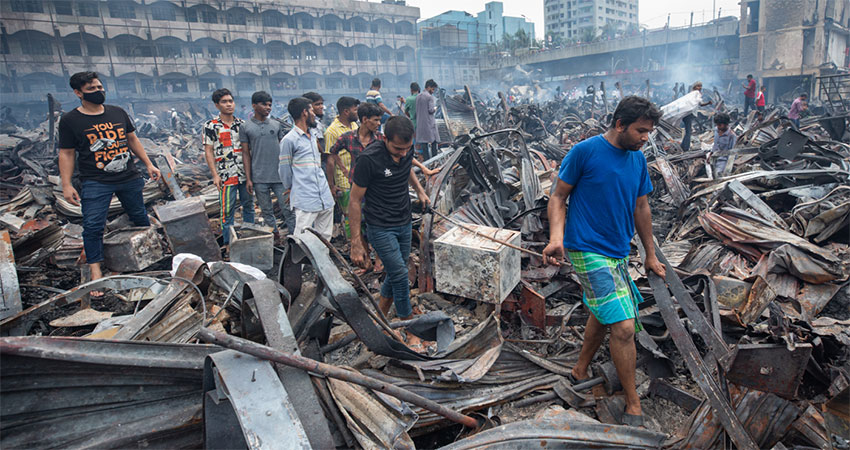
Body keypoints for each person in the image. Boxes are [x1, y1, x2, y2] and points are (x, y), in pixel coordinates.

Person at [542, 96, 666, 427]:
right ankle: (633, 403)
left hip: (617, 251)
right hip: (585, 248)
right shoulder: (585, 152)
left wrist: (650, 254)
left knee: (603, 312)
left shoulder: (637, 160)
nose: (645, 138)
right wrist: (556, 238)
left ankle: (579, 369)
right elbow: (557, 196)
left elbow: (642, 208)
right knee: (624, 327)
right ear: (619, 124)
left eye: (649, 132)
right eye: (641, 131)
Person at [59, 71, 161, 293]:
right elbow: (66, 153)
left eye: (99, 87)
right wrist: (66, 184)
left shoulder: (117, 112)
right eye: (91, 89)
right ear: (78, 93)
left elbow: (132, 139)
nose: (98, 92)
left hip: (128, 176)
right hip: (96, 180)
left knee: (139, 217)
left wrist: (149, 164)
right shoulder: (70, 120)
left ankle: (148, 256)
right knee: (93, 225)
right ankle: (96, 269)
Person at [349, 116, 429, 348]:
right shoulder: (369, 159)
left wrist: (420, 190)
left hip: (404, 221)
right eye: (397, 149)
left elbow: (407, 166)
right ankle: (409, 328)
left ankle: (379, 316)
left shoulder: (406, 149)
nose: (402, 153)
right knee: (401, 275)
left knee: (396, 274)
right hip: (380, 226)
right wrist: (356, 241)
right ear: (384, 139)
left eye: (406, 148)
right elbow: (354, 200)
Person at [203, 88, 254, 250]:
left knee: (249, 206)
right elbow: (209, 151)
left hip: (244, 174)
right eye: (224, 102)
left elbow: (248, 150)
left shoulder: (242, 125)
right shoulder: (211, 126)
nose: (229, 104)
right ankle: (228, 244)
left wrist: (251, 175)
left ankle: (250, 238)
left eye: (230, 101)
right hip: (226, 175)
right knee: (227, 211)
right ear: (217, 105)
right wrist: (215, 175)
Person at [279, 97, 335, 240]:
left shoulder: (313, 136)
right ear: (304, 112)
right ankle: (301, 263)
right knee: (301, 239)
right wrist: (291, 187)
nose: (314, 113)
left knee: (325, 237)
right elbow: (284, 170)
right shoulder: (289, 140)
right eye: (311, 110)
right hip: (305, 198)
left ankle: (322, 262)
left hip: (324, 195)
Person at [240, 91, 293, 239]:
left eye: (269, 105)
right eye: (264, 104)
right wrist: (249, 178)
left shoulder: (276, 125)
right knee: (267, 210)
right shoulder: (246, 127)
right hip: (259, 177)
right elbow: (245, 153)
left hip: (279, 176)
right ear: (254, 105)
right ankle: (275, 238)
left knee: (288, 209)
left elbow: (284, 150)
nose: (268, 107)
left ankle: (295, 239)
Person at [680, 81, 712, 151]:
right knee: (688, 132)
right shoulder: (695, 94)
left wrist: (708, 103)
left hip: (687, 115)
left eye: (700, 86)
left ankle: (683, 145)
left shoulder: (692, 94)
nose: (700, 87)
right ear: (695, 87)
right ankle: (685, 148)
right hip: (688, 115)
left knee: (688, 131)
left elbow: (700, 104)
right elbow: (697, 103)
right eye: (698, 86)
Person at [415, 79, 439, 161]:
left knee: (424, 143)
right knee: (434, 142)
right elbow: (431, 110)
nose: (433, 91)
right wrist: (435, 108)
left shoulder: (418, 96)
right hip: (429, 123)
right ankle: (434, 160)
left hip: (420, 123)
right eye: (432, 89)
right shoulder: (429, 97)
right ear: (428, 87)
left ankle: (427, 161)